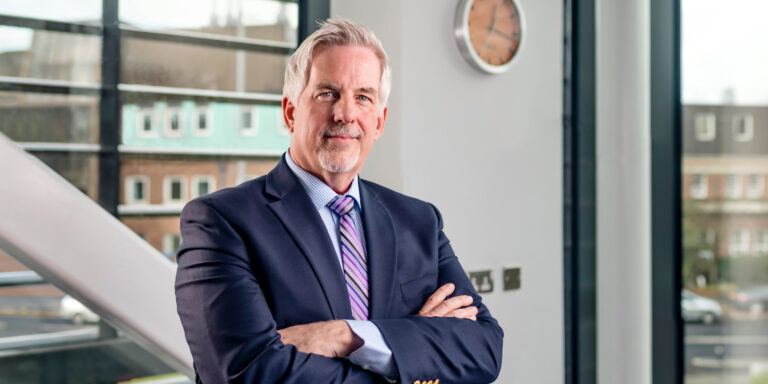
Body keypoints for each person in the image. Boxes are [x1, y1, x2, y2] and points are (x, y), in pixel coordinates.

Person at [175, 19, 503, 384]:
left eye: (363, 97)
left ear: (379, 121)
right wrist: (410, 348)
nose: (345, 114)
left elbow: (484, 349)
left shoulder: (419, 220)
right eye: (326, 93)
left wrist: (346, 336)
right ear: (290, 112)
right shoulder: (221, 222)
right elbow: (247, 372)